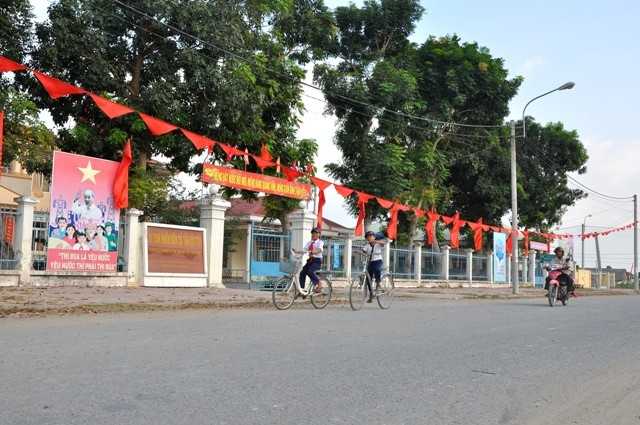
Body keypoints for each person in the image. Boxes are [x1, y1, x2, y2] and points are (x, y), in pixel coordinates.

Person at [292, 227, 324, 297]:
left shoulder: (320, 242)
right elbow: (304, 250)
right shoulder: (310, 243)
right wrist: (296, 251)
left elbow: (320, 249)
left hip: (317, 261)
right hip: (310, 261)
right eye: (313, 233)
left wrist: (314, 251)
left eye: (316, 233)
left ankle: (319, 284)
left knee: (310, 272)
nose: (314, 234)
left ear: (319, 234)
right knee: (302, 273)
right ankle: (302, 291)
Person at [362, 230, 386, 303]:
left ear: (374, 237)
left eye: (370, 236)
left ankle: (378, 282)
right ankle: (371, 293)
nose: (369, 238)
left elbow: (383, 242)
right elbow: (363, 251)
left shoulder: (378, 244)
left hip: (378, 261)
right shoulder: (367, 246)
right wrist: (359, 252)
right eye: (367, 237)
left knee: (377, 269)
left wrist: (377, 241)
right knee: (368, 278)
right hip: (371, 262)